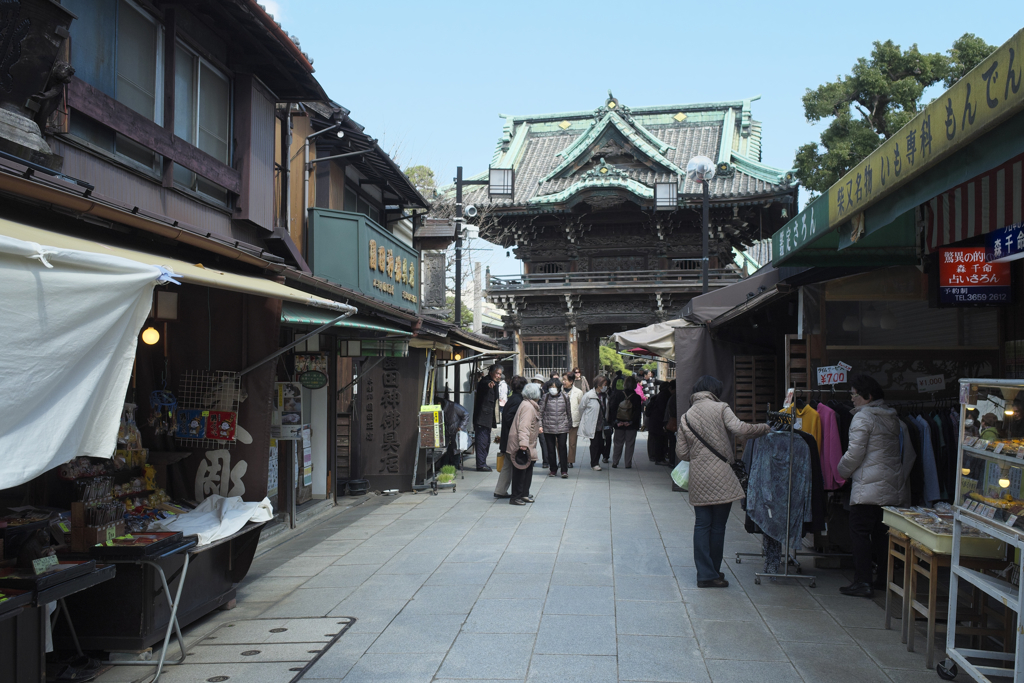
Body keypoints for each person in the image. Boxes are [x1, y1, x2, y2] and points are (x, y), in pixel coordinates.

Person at [677, 375, 770, 588]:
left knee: (702, 524)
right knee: (718, 526)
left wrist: (699, 456)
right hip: (722, 475)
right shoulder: (721, 408)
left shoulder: (686, 416)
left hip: (699, 477)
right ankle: (714, 572)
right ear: (713, 391)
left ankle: (704, 574)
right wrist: (765, 428)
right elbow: (741, 430)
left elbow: (682, 453)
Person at [837, 374, 904, 598]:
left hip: (868, 487)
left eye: (855, 394)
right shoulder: (892, 417)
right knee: (882, 536)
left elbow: (855, 453)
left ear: (868, 396)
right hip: (890, 487)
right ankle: (884, 580)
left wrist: (841, 471)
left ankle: (862, 581)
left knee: (859, 534)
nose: (852, 398)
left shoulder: (863, 418)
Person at [507, 382, 542, 504]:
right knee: (520, 470)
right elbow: (524, 427)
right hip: (522, 444)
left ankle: (524, 494)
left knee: (528, 469)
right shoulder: (528, 407)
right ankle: (516, 496)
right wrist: (523, 444)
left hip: (528, 444)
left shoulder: (529, 405)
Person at [494, 376, 527, 499]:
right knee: (515, 465)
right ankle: (518, 492)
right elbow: (509, 418)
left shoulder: (513, 398)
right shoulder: (518, 400)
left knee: (507, 466)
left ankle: (500, 490)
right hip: (511, 439)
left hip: (507, 438)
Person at [539, 378, 572, 478]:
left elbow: (568, 412)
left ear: (558, 388)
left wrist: (569, 425)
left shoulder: (565, 397)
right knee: (550, 449)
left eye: (554, 387)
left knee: (562, 448)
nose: (552, 389)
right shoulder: (545, 397)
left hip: (562, 426)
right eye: (550, 387)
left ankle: (564, 470)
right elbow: (540, 413)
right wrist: (540, 425)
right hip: (548, 426)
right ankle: (553, 469)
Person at [473, 364, 503, 472]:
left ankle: (483, 462)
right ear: (491, 372)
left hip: (487, 418)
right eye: (497, 373)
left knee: (486, 441)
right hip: (482, 417)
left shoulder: (495, 383)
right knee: (481, 441)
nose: (498, 376)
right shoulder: (486, 381)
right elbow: (486, 384)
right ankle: (481, 464)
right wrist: (489, 384)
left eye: (500, 374)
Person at [579, 375, 609, 471]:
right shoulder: (589, 395)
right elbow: (581, 409)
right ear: (599, 384)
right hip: (593, 425)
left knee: (602, 445)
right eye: (604, 384)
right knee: (595, 444)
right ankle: (594, 463)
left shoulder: (606, 396)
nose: (606, 387)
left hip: (602, 425)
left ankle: (596, 461)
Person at [611, 376, 642, 468]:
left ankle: (615, 462)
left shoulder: (618, 395)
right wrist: (632, 422)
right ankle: (627, 463)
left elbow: (613, 409)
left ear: (624, 384)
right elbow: (637, 412)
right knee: (630, 444)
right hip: (631, 425)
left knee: (618, 443)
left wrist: (616, 422)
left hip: (619, 423)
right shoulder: (637, 397)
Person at [437, 393, 469, 470]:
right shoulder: (441, 409)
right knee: (446, 451)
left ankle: (454, 467)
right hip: (447, 433)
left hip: (456, 431)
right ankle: (445, 467)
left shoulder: (453, 406)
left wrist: (461, 427)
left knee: (455, 450)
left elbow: (466, 414)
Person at [646, 381, 672, 465]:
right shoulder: (665, 396)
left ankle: (654, 456)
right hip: (659, 422)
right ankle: (659, 458)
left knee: (655, 440)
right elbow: (663, 410)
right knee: (660, 440)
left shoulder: (657, 396)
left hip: (654, 421)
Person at [563, 372, 584, 469]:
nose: (563, 382)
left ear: (571, 381)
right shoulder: (560, 391)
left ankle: (570, 461)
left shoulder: (578, 392)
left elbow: (581, 406)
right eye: (562, 379)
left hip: (574, 420)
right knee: (560, 442)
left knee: (572, 443)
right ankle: (561, 460)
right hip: (561, 420)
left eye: (565, 380)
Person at [531, 374, 550, 467]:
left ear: (542, 384)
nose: (536, 383)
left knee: (543, 441)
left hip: (541, 420)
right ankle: (531, 459)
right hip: (532, 420)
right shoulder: (529, 393)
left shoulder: (544, 394)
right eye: (535, 381)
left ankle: (546, 461)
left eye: (539, 382)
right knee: (531, 441)